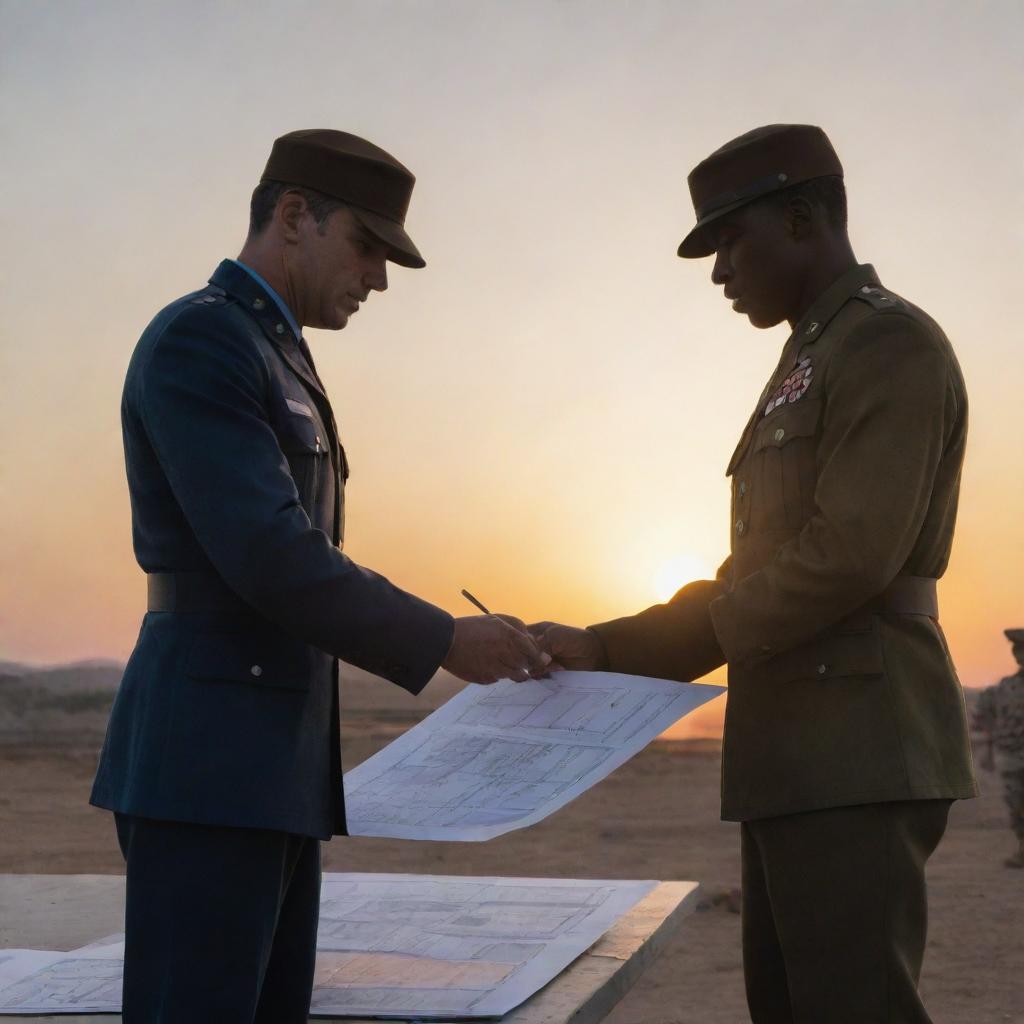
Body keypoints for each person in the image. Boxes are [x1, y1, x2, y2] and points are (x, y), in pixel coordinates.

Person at [90, 128, 549, 1023]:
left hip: (270, 771)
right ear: (295, 215)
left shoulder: (278, 353)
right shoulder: (203, 342)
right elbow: (272, 554)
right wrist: (445, 638)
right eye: (368, 246)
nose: (378, 277)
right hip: (207, 765)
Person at [531, 124, 977, 1024]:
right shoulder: (806, 360)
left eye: (734, 239)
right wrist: (600, 646)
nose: (720, 268)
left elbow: (850, 555)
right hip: (797, 752)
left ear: (805, 218)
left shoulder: (889, 346)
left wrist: (697, 634)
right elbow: (748, 573)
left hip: (859, 745)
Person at [972, 628, 1024, 868]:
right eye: (1017, 649)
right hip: (1013, 758)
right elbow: (983, 717)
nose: (1019, 654)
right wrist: (989, 746)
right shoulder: (1004, 688)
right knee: (1016, 804)